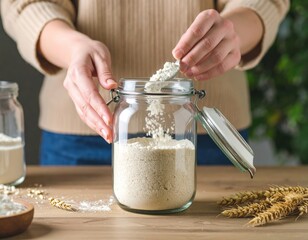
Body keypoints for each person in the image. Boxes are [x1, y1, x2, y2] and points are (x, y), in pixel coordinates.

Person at [1, 0, 289, 165]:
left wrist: (235, 29)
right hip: (84, 129)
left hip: (205, 132)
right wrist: (73, 48)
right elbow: (25, 4)